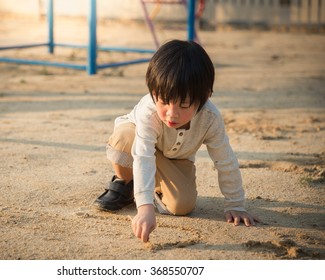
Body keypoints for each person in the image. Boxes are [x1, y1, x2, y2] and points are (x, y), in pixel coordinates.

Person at [94, 39, 259, 242]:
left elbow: (225, 160)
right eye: (164, 102)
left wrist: (235, 204)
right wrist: (144, 208)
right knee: (123, 139)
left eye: (184, 104)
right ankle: (126, 183)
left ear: (204, 97)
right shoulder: (149, 111)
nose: (172, 114)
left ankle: (151, 188)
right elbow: (144, 156)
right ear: (153, 92)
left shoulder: (210, 118)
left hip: (176, 158)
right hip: (137, 144)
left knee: (182, 205)